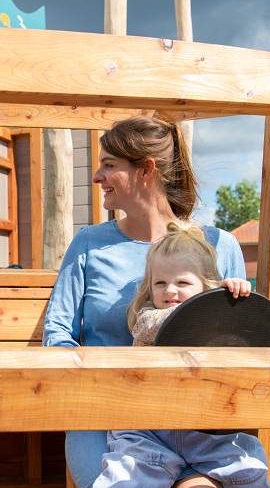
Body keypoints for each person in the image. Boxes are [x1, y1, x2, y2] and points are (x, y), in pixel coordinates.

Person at [41, 117, 247, 488]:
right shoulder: (89, 243)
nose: (96, 176)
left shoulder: (220, 245)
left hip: (198, 423)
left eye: (109, 165)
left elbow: (240, 341)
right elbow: (58, 333)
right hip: (106, 416)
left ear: (146, 170)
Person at [93, 221, 269, 488]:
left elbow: (250, 332)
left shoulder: (218, 320)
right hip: (150, 429)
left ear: (206, 285)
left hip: (206, 430)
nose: (170, 290)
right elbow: (162, 324)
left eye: (182, 282)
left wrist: (233, 298)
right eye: (160, 282)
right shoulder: (148, 318)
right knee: (126, 475)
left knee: (248, 468)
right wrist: (210, 304)